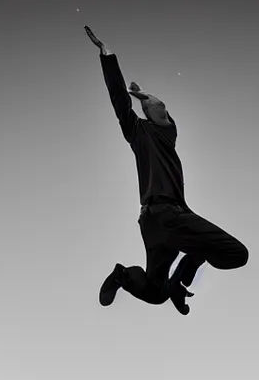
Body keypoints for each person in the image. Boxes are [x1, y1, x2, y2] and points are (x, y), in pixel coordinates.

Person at [84, 25, 247, 314]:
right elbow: (119, 102)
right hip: (169, 217)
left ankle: (127, 277)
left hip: (153, 225)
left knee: (155, 293)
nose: (151, 109)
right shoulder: (138, 132)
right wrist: (107, 56)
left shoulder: (168, 134)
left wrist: (142, 94)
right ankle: (180, 284)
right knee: (235, 253)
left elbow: (158, 106)